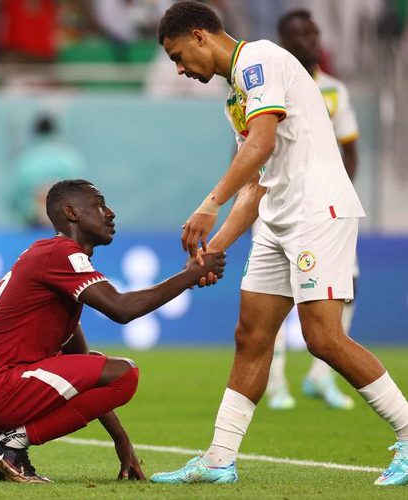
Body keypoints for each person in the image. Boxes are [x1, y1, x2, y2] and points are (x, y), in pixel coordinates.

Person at [150, 2, 408, 486]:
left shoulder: (259, 60)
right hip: (278, 216)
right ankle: (218, 459)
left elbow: (261, 145)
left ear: (201, 35)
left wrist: (208, 204)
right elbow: (259, 182)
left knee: (322, 338)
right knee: (251, 335)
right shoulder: (235, 97)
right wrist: (216, 244)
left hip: (317, 212)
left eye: (177, 55)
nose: (180, 69)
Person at [0, 179, 226, 483]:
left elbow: (89, 378)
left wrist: (121, 440)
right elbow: (121, 308)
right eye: (98, 204)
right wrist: (191, 275)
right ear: (71, 212)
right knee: (126, 372)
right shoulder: (60, 253)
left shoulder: (53, 265)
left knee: (102, 367)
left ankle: (5, 440)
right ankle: (7, 444)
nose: (110, 213)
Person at [265, 8, 362, 411]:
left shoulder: (336, 90)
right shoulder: (272, 88)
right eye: (299, 33)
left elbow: (350, 150)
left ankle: (320, 378)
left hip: (327, 209)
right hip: (279, 204)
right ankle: (276, 385)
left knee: (347, 291)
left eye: (314, 31)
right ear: (283, 41)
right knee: (270, 298)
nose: (310, 38)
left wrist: (337, 195)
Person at [9, 114, 86, 228]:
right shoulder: (71, 159)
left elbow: (14, 200)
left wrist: (30, 211)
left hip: (33, 228)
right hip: (67, 227)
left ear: (34, 132)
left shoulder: (25, 160)